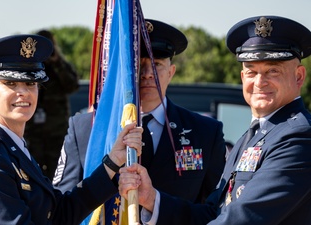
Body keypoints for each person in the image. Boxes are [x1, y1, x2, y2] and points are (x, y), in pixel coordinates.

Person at [119, 15, 311, 225]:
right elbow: (213, 213)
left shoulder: (299, 137)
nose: (259, 82)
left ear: (299, 76)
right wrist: (152, 199)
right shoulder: (256, 135)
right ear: (242, 77)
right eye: (251, 72)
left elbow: (242, 219)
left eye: (272, 70)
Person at [0, 34, 142, 225]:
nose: (24, 92)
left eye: (31, 83)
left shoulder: (12, 147)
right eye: (10, 83)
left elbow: (60, 213)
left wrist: (112, 163)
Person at [53, 19, 226, 214]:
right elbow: (62, 209)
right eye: (137, 64)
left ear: (171, 72)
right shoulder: (86, 129)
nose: (147, 74)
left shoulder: (204, 133)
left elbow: (216, 211)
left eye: (157, 64)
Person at [24, 29, 80, 179]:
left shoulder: (60, 65)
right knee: (34, 171)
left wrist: (57, 63)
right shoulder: (29, 65)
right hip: (34, 131)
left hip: (57, 131)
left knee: (58, 172)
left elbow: (73, 85)